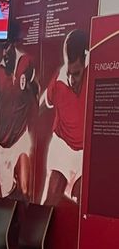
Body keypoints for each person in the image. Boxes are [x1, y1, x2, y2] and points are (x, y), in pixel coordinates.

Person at [41, 29, 89, 206]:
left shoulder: (95, 75)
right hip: (62, 146)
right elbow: (42, 103)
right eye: (69, 73)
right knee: (51, 199)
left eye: (76, 73)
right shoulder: (59, 80)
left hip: (85, 153)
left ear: (86, 59)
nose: (72, 79)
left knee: (82, 202)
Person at [0, 30, 39, 200]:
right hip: (4, 142)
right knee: (7, 195)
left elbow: (35, 90)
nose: (4, 52)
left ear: (13, 44)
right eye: (1, 48)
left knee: (25, 190)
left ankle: (27, 215)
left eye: (6, 47)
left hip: (21, 136)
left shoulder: (25, 62)